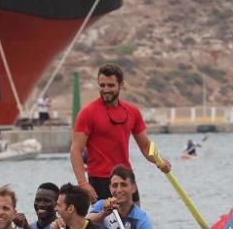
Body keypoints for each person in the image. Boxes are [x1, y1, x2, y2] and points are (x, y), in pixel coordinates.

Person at [70, 63, 172, 202]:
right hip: (100, 181)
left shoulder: (133, 112)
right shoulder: (87, 113)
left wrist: (159, 161)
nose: (106, 89)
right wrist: (83, 183)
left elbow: (146, 145)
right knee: (106, 224)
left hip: (126, 178)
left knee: (135, 222)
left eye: (110, 85)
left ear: (121, 84)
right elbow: (76, 150)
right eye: (102, 85)